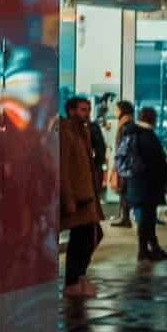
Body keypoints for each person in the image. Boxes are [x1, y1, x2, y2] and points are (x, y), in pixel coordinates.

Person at [58, 95, 104, 296]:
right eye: (83, 110)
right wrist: (68, 197)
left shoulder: (83, 133)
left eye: (88, 110)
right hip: (78, 195)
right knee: (84, 236)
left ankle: (78, 277)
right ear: (71, 110)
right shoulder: (67, 133)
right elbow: (64, 166)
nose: (87, 114)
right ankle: (73, 280)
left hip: (86, 193)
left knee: (89, 235)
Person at [121, 105, 167, 261]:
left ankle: (151, 248)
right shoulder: (148, 137)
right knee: (147, 219)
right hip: (148, 184)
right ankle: (144, 251)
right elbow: (159, 163)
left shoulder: (132, 132)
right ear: (152, 119)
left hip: (135, 181)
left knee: (146, 218)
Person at [107, 99, 136, 227]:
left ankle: (126, 218)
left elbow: (124, 147)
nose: (115, 111)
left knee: (124, 190)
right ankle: (125, 217)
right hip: (126, 162)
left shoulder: (125, 125)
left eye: (117, 109)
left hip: (125, 163)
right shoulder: (128, 123)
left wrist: (118, 164)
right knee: (124, 190)